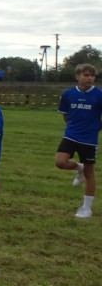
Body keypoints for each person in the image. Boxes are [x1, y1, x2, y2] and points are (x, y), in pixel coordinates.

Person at [56, 63, 102, 219]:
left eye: (92, 75)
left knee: (90, 172)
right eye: (86, 75)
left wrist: (95, 127)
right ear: (77, 76)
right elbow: (65, 115)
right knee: (60, 162)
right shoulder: (68, 94)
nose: (89, 78)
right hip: (70, 135)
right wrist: (74, 127)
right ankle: (78, 167)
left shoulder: (99, 95)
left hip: (89, 139)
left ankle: (86, 208)